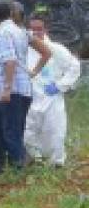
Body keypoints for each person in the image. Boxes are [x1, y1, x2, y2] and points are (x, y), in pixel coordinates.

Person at [23, 12, 80, 167]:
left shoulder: (56, 49)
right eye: (32, 29)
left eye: (39, 29)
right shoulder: (24, 50)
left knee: (54, 131)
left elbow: (74, 67)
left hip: (51, 98)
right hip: (31, 98)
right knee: (28, 132)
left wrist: (60, 85)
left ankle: (56, 163)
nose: (35, 33)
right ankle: (37, 160)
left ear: (45, 29)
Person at [0, 0, 34, 175]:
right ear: (10, 13)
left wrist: (7, 88)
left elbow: (10, 60)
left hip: (10, 91)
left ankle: (22, 166)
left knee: (10, 132)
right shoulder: (18, 30)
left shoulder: (4, 32)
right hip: (7, 90)